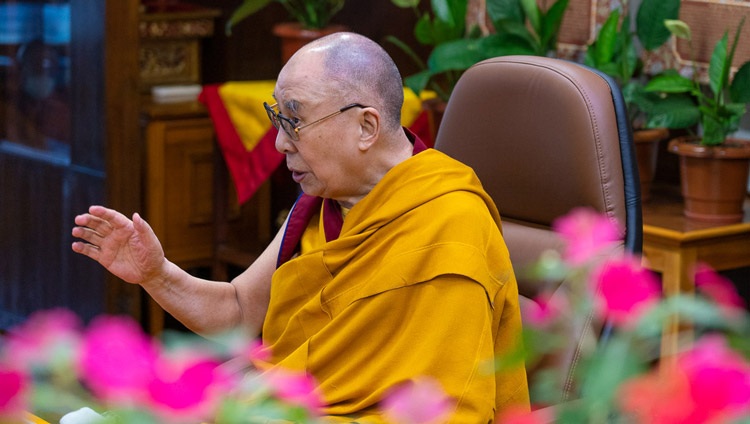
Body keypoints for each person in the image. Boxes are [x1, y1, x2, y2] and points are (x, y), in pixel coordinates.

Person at [72, 32, 530, 422]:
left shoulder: (449, 223)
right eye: (278, 118)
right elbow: (237, 310)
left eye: (295, 120)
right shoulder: (321, 205)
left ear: (366, 126)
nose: (279, 142)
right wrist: (157, 274)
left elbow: (446, 408)